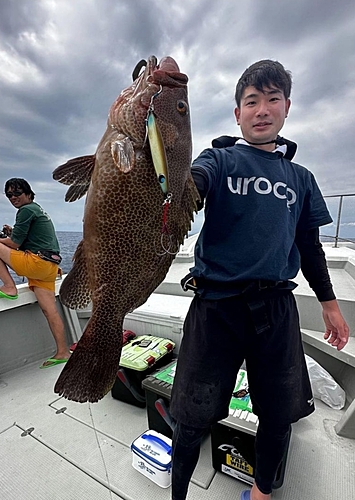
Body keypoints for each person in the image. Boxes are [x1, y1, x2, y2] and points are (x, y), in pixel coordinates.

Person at [169, 60, 349, 500]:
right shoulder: (219, 159)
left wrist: (329, 302)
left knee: (277, 413)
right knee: (192, 416)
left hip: (276, 309)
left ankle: (262, 492)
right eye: (252, 101)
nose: (262, 109)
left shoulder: (301, 178)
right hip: (215, 307)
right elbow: (189, 188)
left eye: (272, 100)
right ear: (238, 113)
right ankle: (177, 494)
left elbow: (309, 245)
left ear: (286, 107)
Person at [0, 178, 70, 369]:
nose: (13, 198)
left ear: (28, 193)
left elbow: (14, 245)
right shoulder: (36, 209)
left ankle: (9, 287)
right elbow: (29, 238)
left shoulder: (26, 210)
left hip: (37, 263)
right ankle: (63, 352)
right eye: (9, 195)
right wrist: (11, 233)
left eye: (17, 193)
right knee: (50, 310)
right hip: (49, 267)